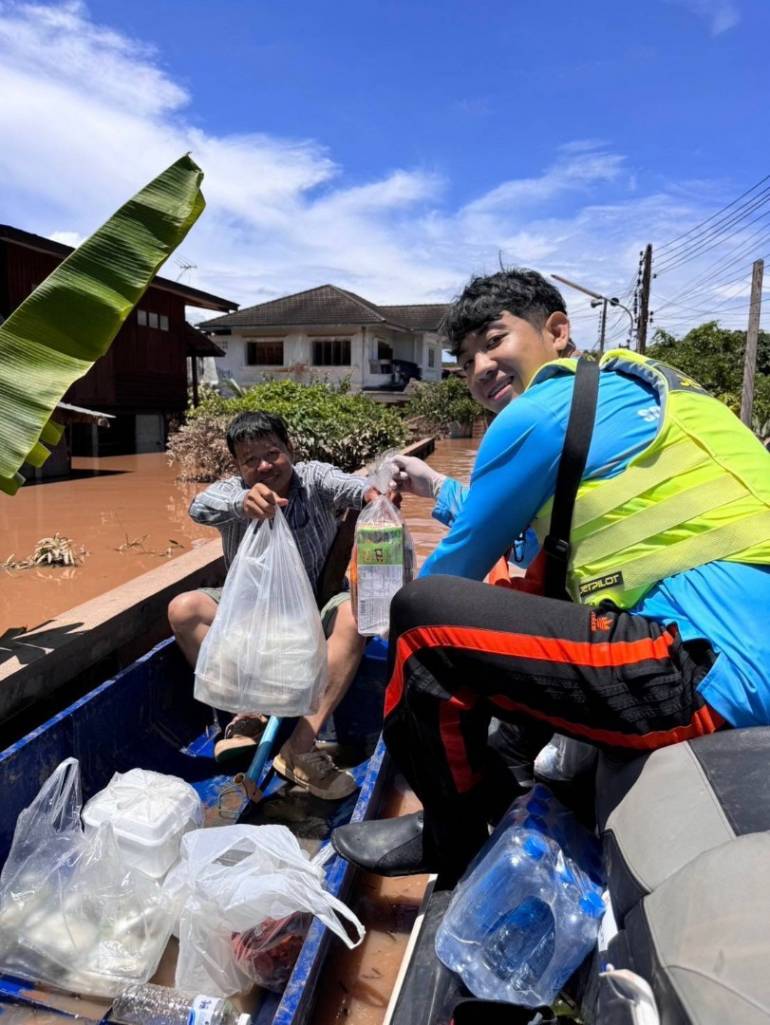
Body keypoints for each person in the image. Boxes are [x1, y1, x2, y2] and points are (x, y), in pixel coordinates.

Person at [331, 267, 770, 884]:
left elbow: (449, 576)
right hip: (734, 642)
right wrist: (438, 488)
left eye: (493, 340)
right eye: (464, 359)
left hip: (706, 672)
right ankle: (512, 787)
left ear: (557, 330)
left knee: (421, 622)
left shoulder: (533, 415)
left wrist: (383, 618)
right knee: (528, 593)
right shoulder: (645, 391)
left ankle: (450, 835)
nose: (480, 367)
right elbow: (554, 521)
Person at [168, 410, 380, 800]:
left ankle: (299, 747)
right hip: (251, 615)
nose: (265, 466)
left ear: (290, 450)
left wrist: (374, 497)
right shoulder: (234, 493)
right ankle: (246, 714)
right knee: (184, 609)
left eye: (273, 454)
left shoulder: (314, 479)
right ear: (238, 466)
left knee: (354, 614)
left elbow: (352, 486)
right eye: (251, 461)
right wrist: (241, 503)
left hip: (315, 609)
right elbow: (198, 506)